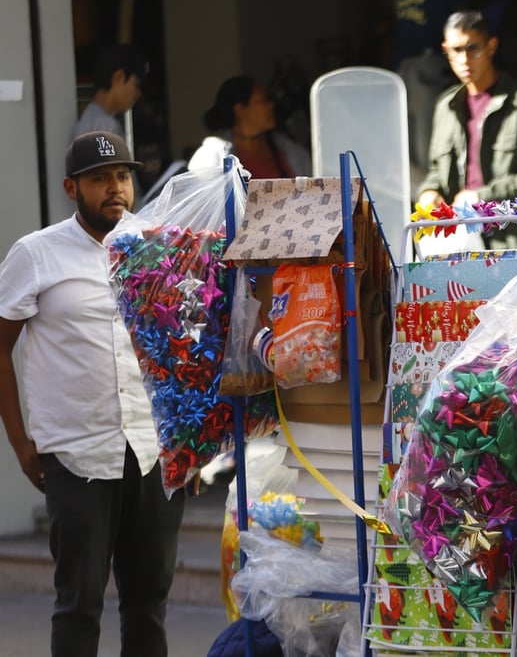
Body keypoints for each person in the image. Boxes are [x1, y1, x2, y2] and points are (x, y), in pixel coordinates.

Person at [0, 131, 185, 656]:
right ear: (71, 188)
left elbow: (181, 344)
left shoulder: (155, 247)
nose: (115, 188)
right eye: (100, 179)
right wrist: (19, 440)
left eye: (122, 176)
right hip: (76, 453)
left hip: (152, 452)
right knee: (79, 605)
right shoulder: (36, 255)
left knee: (148, 603)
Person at [417, 10, 517, 249]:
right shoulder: (445, 106)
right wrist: (429, 191)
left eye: (473, 48)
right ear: (445, 49)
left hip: (516, 241)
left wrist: (482, 196)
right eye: (455, 50)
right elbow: (437, 170)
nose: (464, 59)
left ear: (491, 46)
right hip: (461, 243)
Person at [187, 75, 312, 178]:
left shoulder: (288, 149)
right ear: (240, 109)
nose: (271, 105)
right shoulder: (213, 155)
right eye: (262, 100)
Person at [70, 43, 148, 143]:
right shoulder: (106, 127)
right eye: (136, 84)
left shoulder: (87, 120)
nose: (138, 94)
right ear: (119, 77)